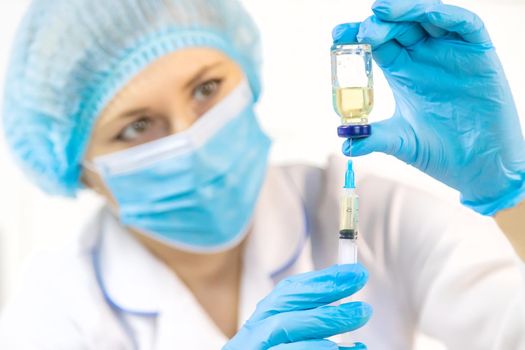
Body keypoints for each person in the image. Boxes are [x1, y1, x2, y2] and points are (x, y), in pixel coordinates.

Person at [0, 0, 524, 348]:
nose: (192, 138)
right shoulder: (56, 307)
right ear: (81, 171)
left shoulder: (378, 217)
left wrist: (509, 194)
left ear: (246, 75)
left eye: (206, 89)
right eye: (137, 125)